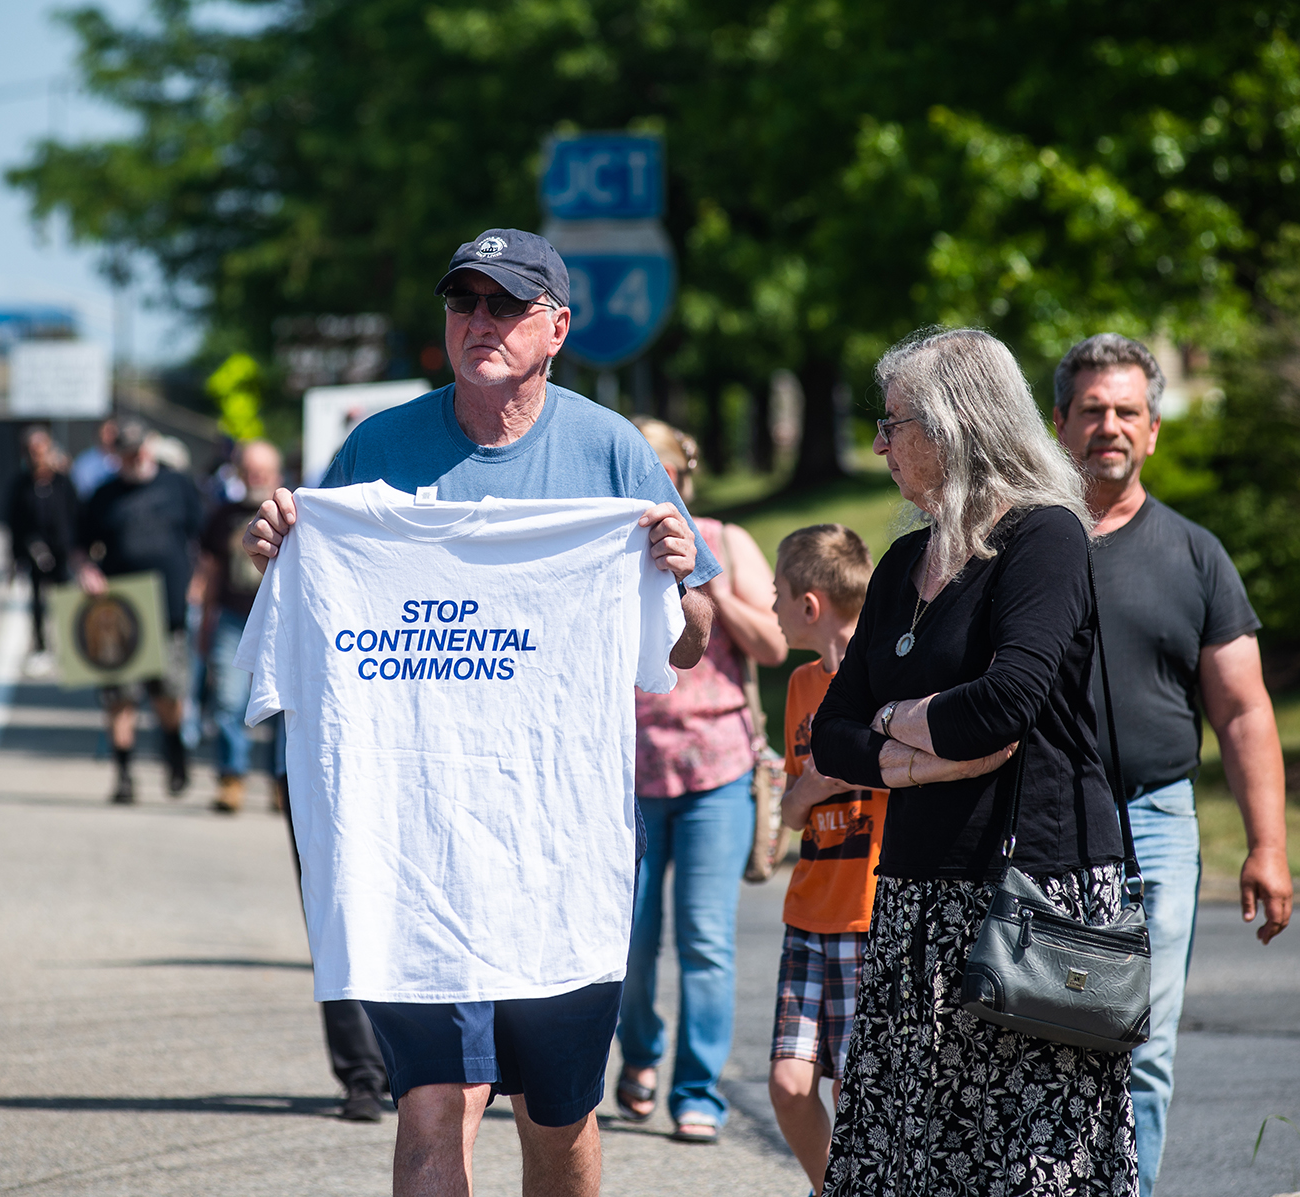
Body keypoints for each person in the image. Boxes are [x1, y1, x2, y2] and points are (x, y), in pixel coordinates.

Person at [242, 227, 719, 1197]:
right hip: (413, 854)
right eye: (463, 303)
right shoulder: (377, 449)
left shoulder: (609, 453)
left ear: (558, 328)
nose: (479, 322)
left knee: (559, 1119)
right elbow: (315, 609)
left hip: (557, 858)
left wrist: (681, 583)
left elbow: (683, 645)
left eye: (505, 305)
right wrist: (285, 546)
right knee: (433, 1103)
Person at [810, 327, 1137, 1196]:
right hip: (917, 896)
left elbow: (1003, 705)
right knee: (906, 1151)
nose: (880, 444)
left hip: (1029, 892)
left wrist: (887, 729)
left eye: (894, 423)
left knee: (1023, 1157)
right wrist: (918, 754)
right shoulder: (900, 563)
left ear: (955, 425)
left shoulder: (1045, 538)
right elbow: (830, 733)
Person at [1052, 333, 1293, 1197]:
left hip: (1156, 824)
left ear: (1153, 430)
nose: (1108, 427)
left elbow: (1242, 708)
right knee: (1039, 1032)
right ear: (1060, 424)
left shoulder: (1196, 555)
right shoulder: (1027, 550)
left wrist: (1267, 843)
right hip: (1039, 830)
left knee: (1142, 1044)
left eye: (1126, 412)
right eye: (1092, 410)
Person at [615, 417, 787, 1144]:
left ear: (684, 474)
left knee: (706, 940)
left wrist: (701, 571)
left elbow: (776, 643)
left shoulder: (724, 535)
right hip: (628, 768)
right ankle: (641, 1055)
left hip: (718, 767)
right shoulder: (608, 539)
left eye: (659, 469)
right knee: (629, 938)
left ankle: (697, 1091)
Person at [764, 524, 886, 1195]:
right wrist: (818, 781)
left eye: (776, 594)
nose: (771, 606)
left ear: (809, 605)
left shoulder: (884, 677)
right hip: (807, 911)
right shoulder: (801, 686)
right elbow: (790, 807)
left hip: (866, 913)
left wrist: (829, 775)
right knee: (788, 1083)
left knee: (856, 1090)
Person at [73, 420, 203, 804]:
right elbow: (80, 549)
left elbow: (201, 540)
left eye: (139, 450)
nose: (135, 458)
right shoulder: (103, 495)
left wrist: (199, 583)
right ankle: (124, 775)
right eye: (126, 453)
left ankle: (174, 754)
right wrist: (86, 572)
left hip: (168, 610)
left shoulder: (177, 484)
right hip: (120, 613)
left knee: (167, 695)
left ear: (150, 446)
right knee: (120, 698)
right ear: (116, 455)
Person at [195, 438, 287, 814]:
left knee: (285, 705)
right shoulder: (223, 514)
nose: (256, 476)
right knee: (228, 701)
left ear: (276, 473)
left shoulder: (295, 511)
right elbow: (209, 571)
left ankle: (283, 782)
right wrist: (204, 620)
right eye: (250, 469)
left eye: (263, 470)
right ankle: (231, 778)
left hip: (280, 621)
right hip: (233, 618)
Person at [5, 425, 78, 674]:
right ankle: (40, 648)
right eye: (32, 451)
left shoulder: (63, 482)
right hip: (34, 553)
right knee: (37, 603)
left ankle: (71, 650)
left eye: (42, 450)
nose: (38, 455)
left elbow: (76, 514)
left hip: (63, 552)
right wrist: (14, 560)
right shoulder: (20, 485)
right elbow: (13, 525)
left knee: (67, 601)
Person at [71, 417, 121, 498]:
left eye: (113, 432)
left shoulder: (124, 460)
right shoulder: (85, 461)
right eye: (106, 431)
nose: (110, 436)